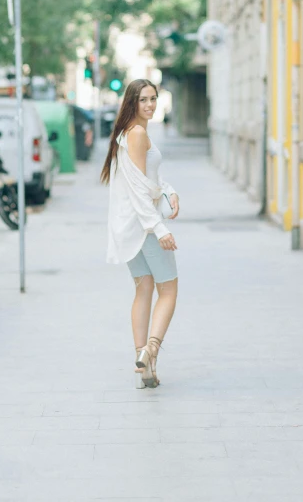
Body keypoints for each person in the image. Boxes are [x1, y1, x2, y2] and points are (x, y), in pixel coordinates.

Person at [101, 79, 179, 388]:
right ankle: (151, 349)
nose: (149, 104)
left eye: (153, 98)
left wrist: (170, 191)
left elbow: (148, 178)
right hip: (144, 227)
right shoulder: (137, 134)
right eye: (143, 99)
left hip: (128, 228)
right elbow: (138, 189)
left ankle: (145, 366)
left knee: (144, 289)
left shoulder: (125, 134)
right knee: (169, 292)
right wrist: (159, 228)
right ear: (131, 102)